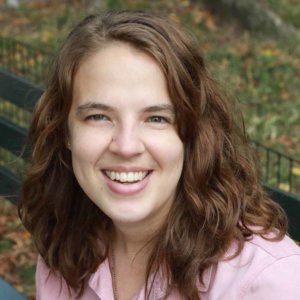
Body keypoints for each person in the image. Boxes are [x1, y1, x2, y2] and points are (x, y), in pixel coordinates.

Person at [18, 11, 300, 300]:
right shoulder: (65, 237)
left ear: (193, 133)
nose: (126, 146)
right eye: (98, 116)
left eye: (156, 119)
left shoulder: (267, 283)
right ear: (65, 131)